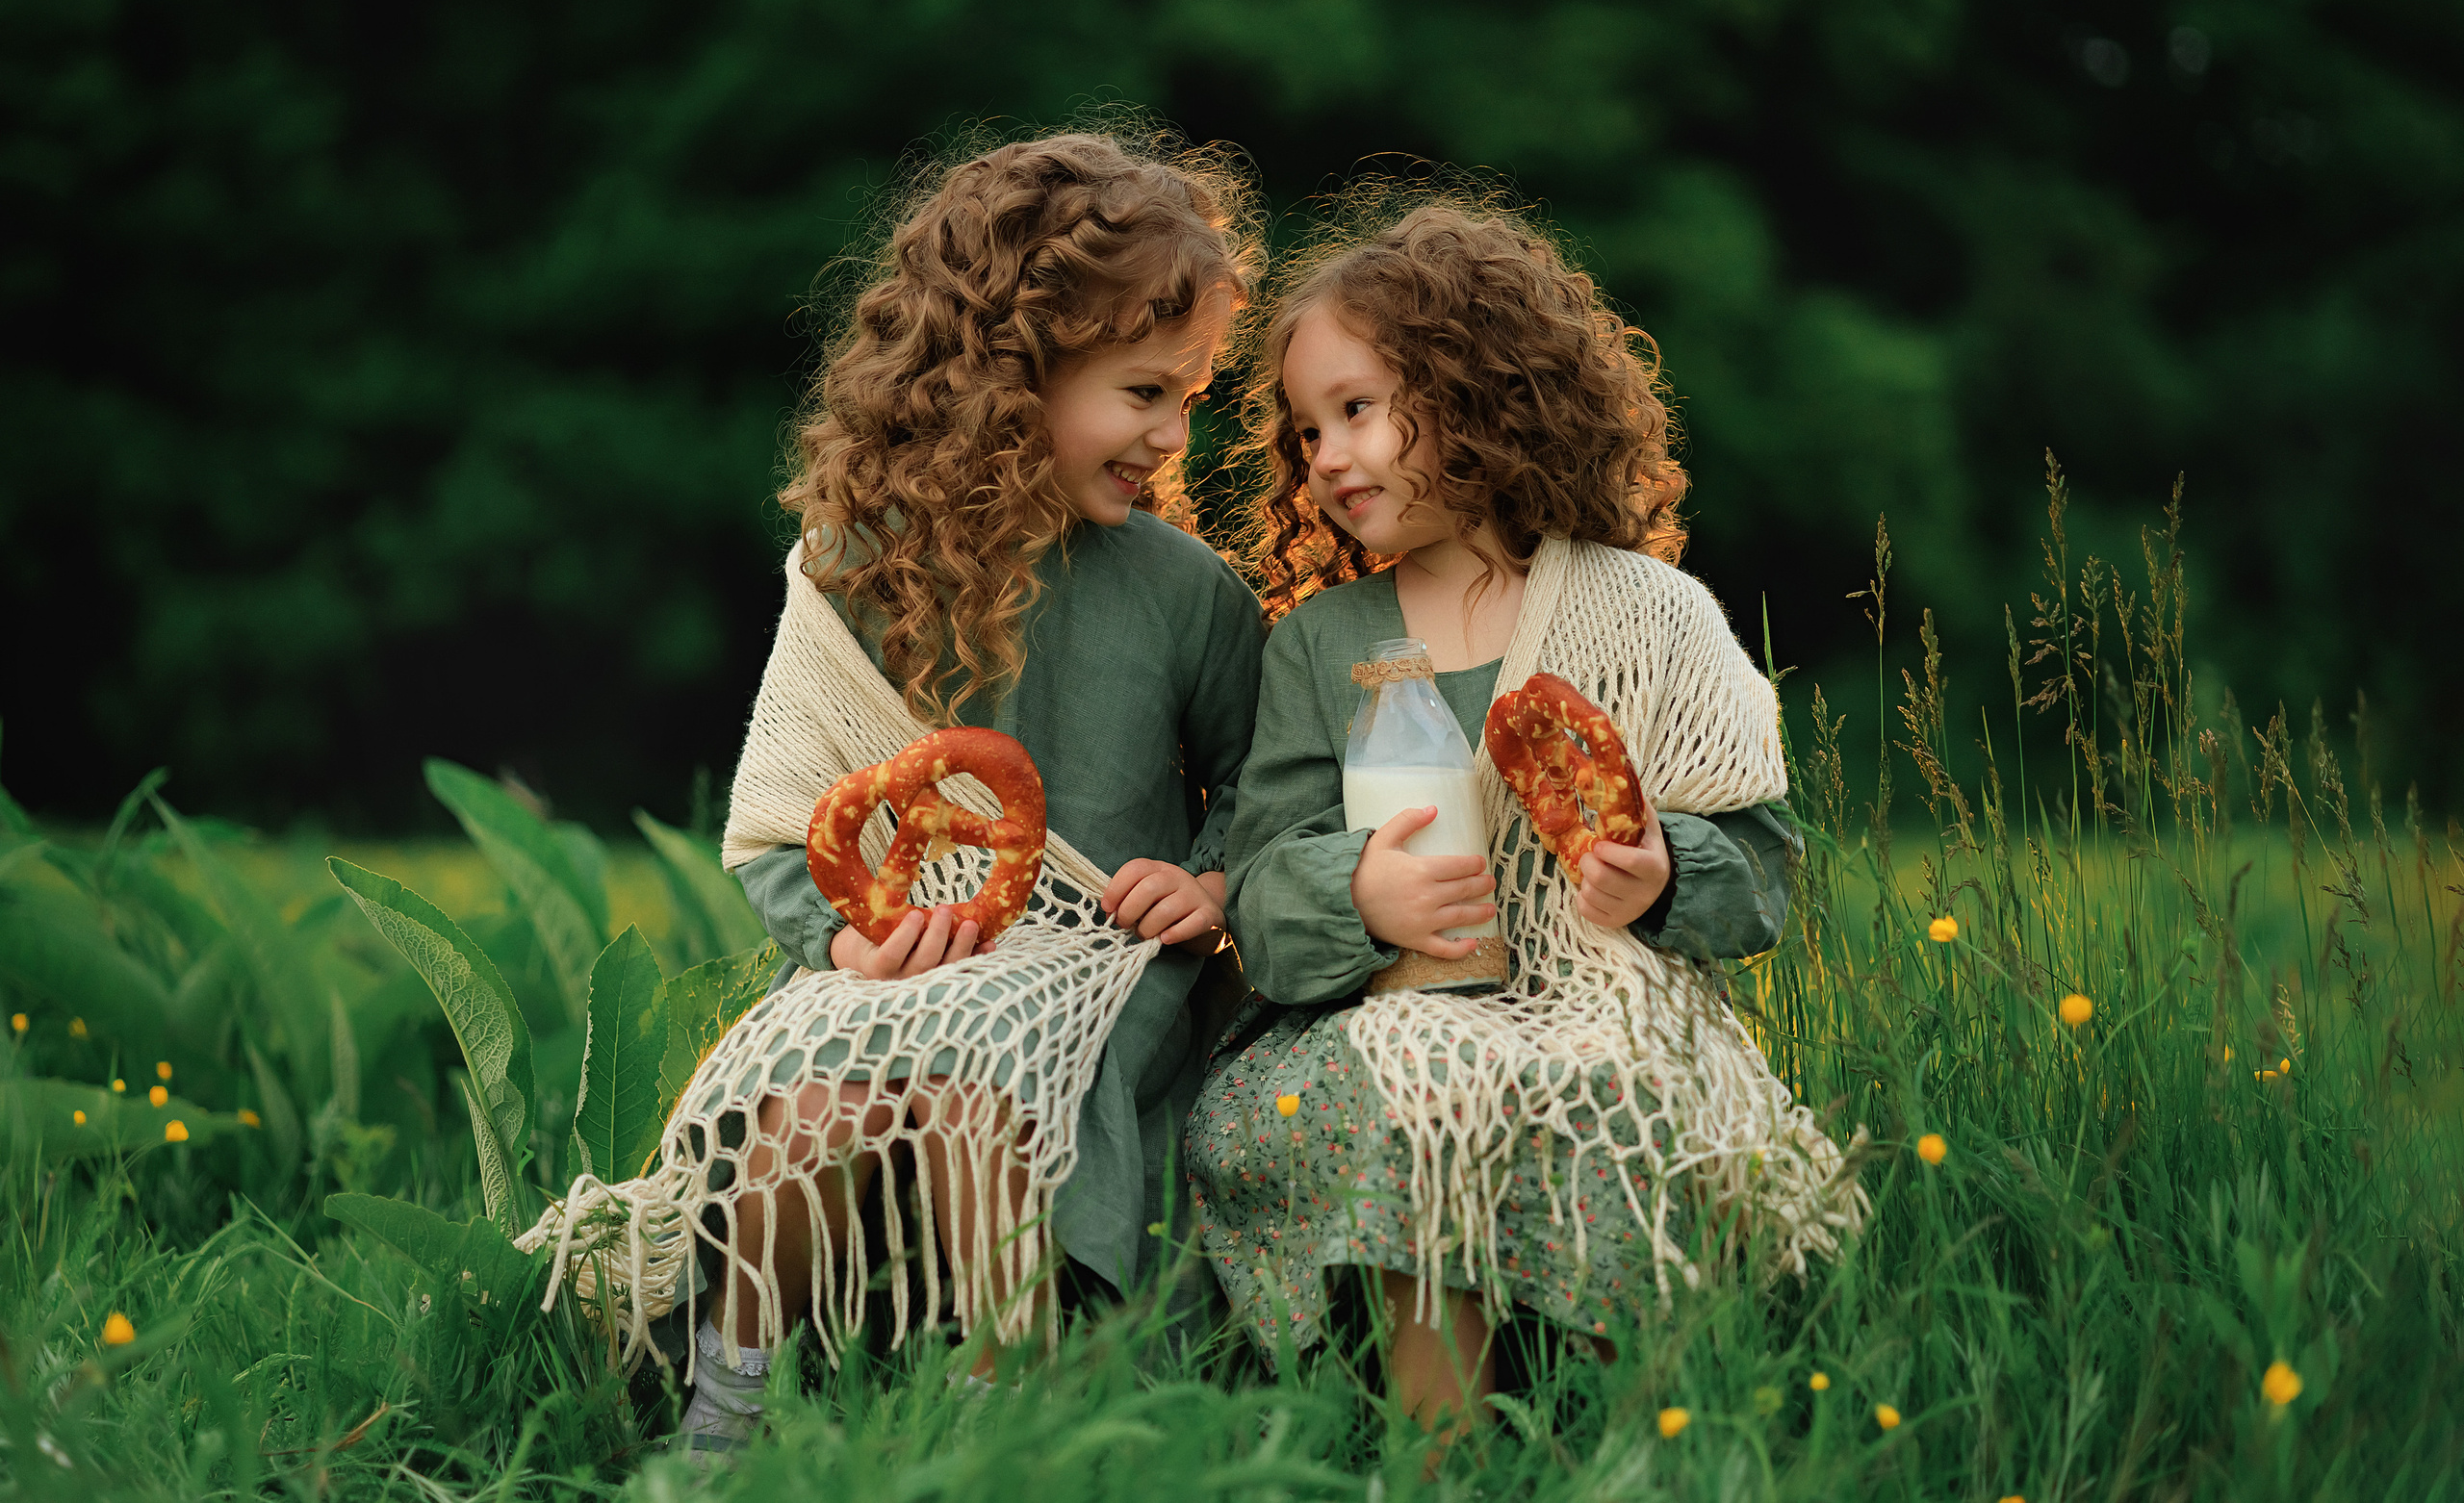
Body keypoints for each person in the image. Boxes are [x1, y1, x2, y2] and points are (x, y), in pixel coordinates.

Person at [599, 130, 1266, 1455]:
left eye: (1191, 399)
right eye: (1144, 391)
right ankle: (722, 1412)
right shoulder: (861, 565)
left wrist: (1209, 878)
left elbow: (1266, 783)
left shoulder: (1187, 594)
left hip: (1100, 981)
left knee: (978, 1095)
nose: (1172, 436)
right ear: (1021, 369)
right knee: (815, 1098)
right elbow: (789, 812)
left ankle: (999, 1417)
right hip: (907, 962)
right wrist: (847, 939)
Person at [1185, 199, 1864, 1451]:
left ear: (1484, 393)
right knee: (1408, 1088)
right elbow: (1261, 885)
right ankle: (1438, 1454)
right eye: (1308, 429)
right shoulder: (1324, 646)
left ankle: (1647, 1440)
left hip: (1596, 1005)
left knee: (1628, 1097)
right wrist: (1358, 898)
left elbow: (1760, 869)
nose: (1329, 456)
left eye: (1363, 408)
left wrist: (1659, 877)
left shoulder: (1649, 615)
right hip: (1374, 1018)